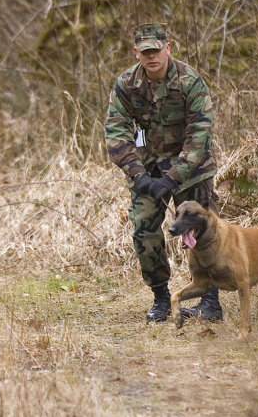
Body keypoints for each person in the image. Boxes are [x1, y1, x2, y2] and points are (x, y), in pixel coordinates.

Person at [105, 22, 223, 322]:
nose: (151, 57)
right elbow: (116, 133)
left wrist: (174, 176)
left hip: (191, 169)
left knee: (205, 232)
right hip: (148, 169)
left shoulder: (189, 80)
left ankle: (210, 301)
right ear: (136, 53)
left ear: (167, 48)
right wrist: (140, 176)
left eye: (156, 50)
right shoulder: (126, 84)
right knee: (143, 229)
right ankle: (160, 297)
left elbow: (200, 133)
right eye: (145, 52)